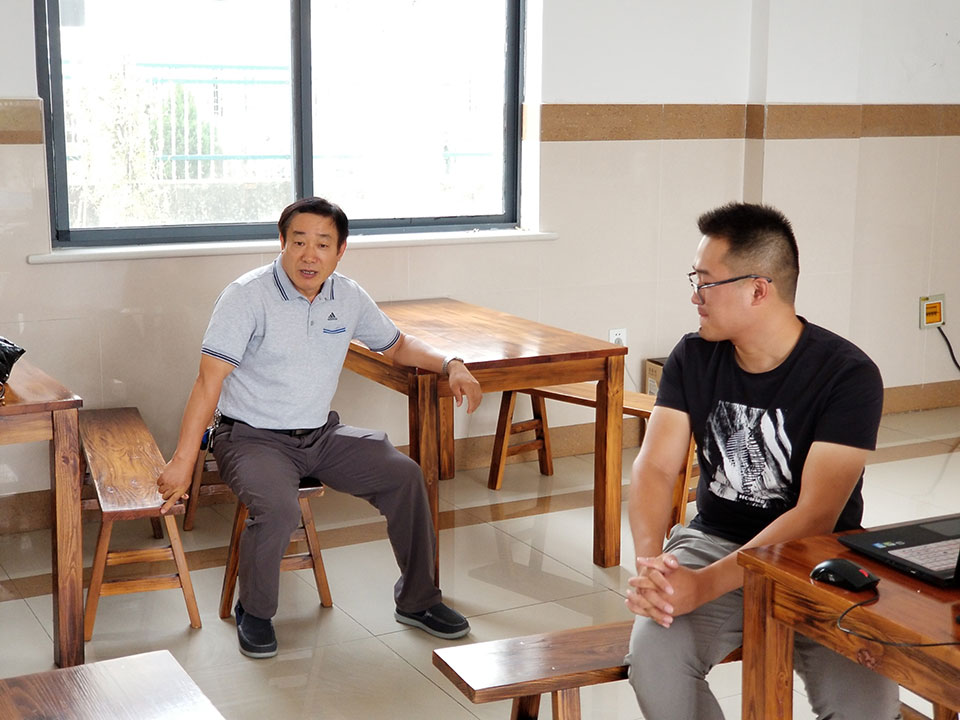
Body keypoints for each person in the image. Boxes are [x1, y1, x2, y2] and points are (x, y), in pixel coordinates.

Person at [157, 196, 482, 659]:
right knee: (278, 509)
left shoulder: (346, 295)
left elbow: (397, 345)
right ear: (282, 242)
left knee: (405, 475)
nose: (309, 255)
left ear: (340, 250)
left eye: (323, 244)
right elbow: (208, 381)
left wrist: (452, 364)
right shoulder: (246, 296)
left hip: (319, 435)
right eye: (299, 242)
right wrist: (182, 459)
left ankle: (418, 601)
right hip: (250, 438)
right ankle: (255, 612)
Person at [624, 202, 900, 719]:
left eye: (706, 282)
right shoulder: (692, 357)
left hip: (817, 559)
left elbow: (816, 514)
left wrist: (702, 587)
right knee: (654, 664)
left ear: (757, 289)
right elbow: (655, 467)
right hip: (712, 543)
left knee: (866, 707)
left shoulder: (848, 375)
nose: (694, 296)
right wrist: (653, 570)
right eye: (695, 280)